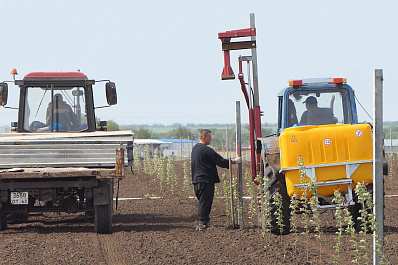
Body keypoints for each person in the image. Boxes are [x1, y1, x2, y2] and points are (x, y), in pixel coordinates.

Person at [191, 129, 241, 231]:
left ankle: (204, 222)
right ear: (204, 137)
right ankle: (202, 224)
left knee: (203, 201)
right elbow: (221, 162)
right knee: (205, 202)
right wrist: (234, 161)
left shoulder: (195, 148)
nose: (211, 139)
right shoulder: (207, 150)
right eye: (209, 137)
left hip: (197, 180)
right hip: (205, 180)